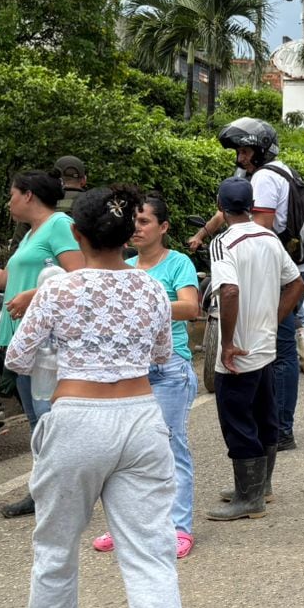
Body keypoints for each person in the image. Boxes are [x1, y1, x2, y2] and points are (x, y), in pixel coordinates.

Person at [7, 184, 198, 608]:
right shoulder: (151, 288)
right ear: (125, 235)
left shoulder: (58, 291)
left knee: (57, 541)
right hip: (141, 417)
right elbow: (161, 353)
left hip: (78, 419)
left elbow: (19, 359)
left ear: (77, 234)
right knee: (149, 548)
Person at [0, 170, 84, 518]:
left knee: (49, 418)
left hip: (48, 342)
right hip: (23, 340)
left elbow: (78, 276)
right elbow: (7, 279)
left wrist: (33, 296)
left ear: (28, 195)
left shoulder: (59, 225)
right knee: (36, 420)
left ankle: (62, 494)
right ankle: (43, 489)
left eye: (13, 194)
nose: (9, 201)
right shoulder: (30, 234)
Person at [92, 194, 202, 559]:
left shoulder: (177, 263)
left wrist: (144, 304)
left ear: (164, 227)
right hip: (128, 371)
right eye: (133, 223)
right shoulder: (123, 266)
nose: (136, 229)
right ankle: (125, 526)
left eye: (144, 222)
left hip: (170, 369)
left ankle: (179, 528)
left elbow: (190, 307)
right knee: (123, 452)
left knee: (171, 450)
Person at [191, 119, 304, 447]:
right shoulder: (281, 171)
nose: (240, 157)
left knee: (281, 350)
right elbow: (235, 211)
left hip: (275, 272)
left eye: (244, 151)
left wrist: (225, 241)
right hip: (289, 267)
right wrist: (204, 233)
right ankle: (274, 426)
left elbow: (260, 225)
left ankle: (280, 428)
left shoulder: (265, 177)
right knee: (277, 348)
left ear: (259, 150)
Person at [205, 178, 304, 521]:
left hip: (238, 350)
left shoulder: (222, 243)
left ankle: (249, 499)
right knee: (264, 414)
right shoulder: (269, 237)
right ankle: (262, 487)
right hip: (264, 344)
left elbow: (228, 291)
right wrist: (273, 320)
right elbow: (296, 283)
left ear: (220, 205)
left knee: (237, 420)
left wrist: (229, 343)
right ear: (251, 205)